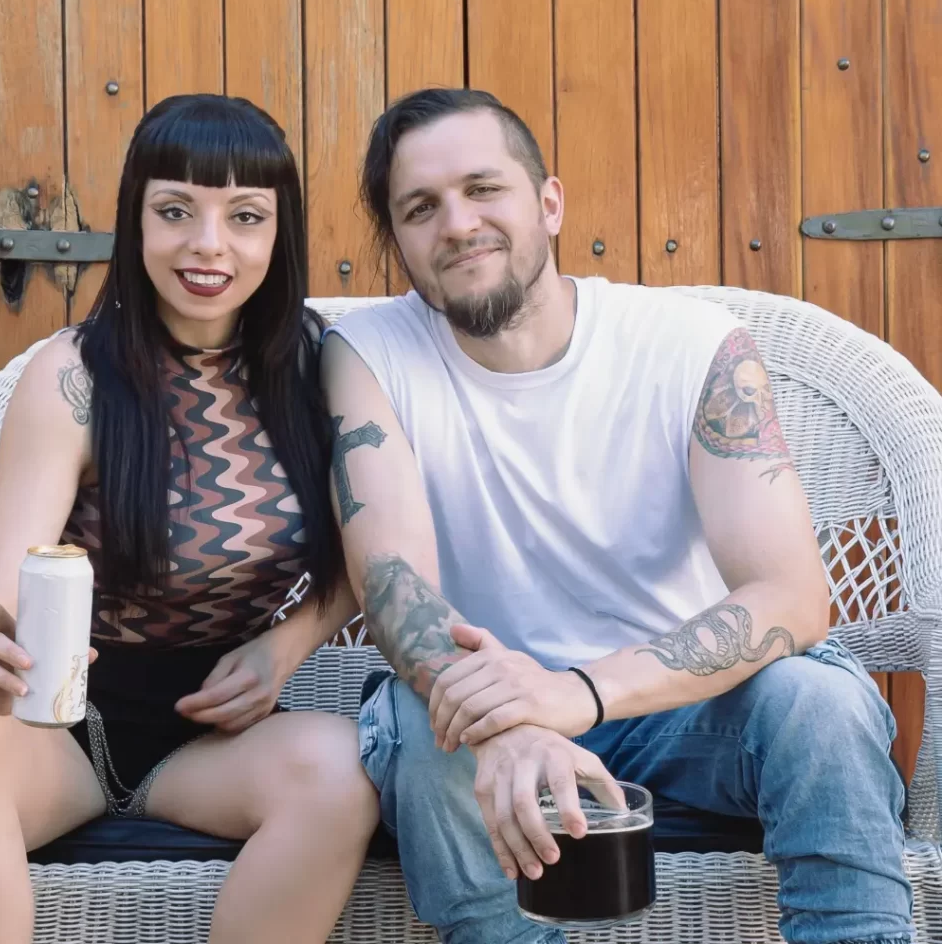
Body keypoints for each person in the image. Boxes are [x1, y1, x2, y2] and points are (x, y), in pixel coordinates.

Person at [321, 87, 914, 944]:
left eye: (483, 189)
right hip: (482, 713)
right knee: (420, 728)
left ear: (549, 203)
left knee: (818, 703)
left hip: (682, 708)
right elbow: (393, 585)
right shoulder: (369, 353)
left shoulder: (690, 344)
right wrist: (514, 718)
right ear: (399, 240)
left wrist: (575, 694)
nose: (457, 224)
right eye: (421, 208)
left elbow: (791, 597)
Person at [0, 94, 378, 944]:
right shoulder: (75, 376)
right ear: (135, 220)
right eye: (175, 211)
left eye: (245, 216)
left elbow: (377, 555)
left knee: (343, 771)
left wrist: (284, 650)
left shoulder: (325, 370)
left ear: (279, 233)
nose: (209, 244)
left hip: (214, 742)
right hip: (60, 730)